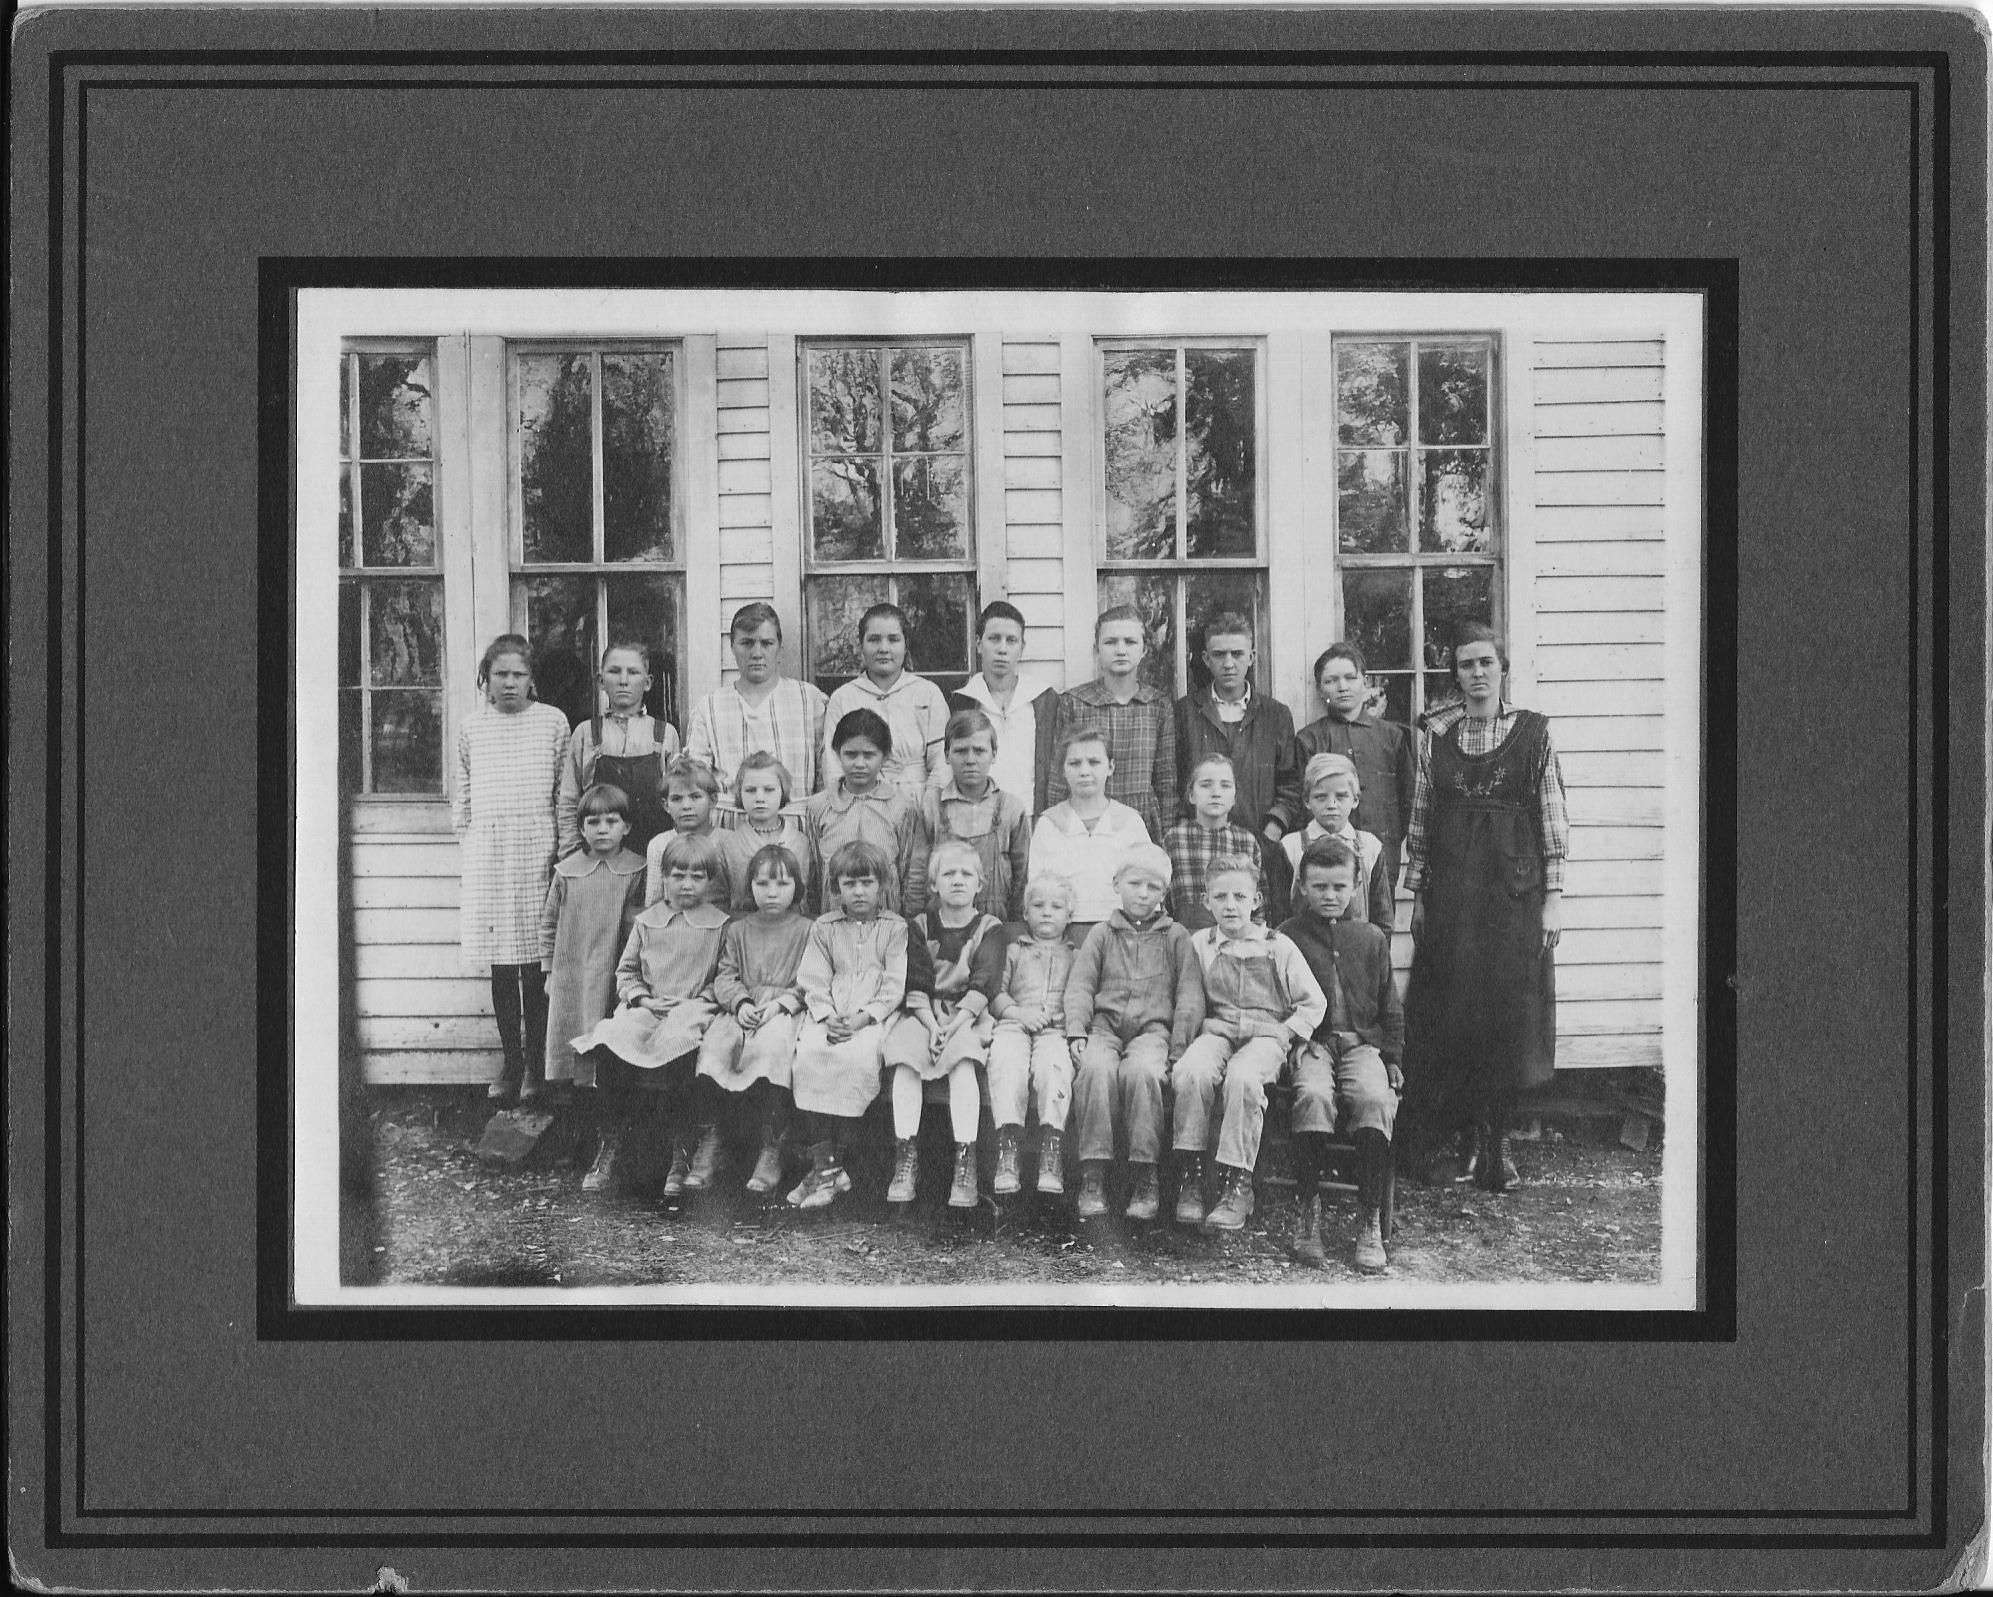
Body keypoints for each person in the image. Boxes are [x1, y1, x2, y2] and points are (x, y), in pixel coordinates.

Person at [1403, 621, 1568, 1193]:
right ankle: (1469, 1140)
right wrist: (1417, 895)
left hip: (1512, 897)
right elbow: (1421, 821)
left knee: (1507, 1018)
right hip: (1452, 899)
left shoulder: (1533, 733)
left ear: (1502, 670)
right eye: (1466, 665)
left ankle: (1499, 1144)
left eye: (1486, 664)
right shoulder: (1436, 736)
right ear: (1455, 673)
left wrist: (1554, 901)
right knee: (1454, 1017)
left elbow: (1553, 820)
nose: (1477, 674)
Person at [1170, 855, 1327, 1233]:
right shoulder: (1200, 944)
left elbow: (1313, 1002)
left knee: (1242, 1078)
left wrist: (1287, 1034)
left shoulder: (1278, 945)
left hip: (1264, 1034)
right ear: (1206, 901)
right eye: (1220, 897)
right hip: (1218, 1029)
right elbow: (1189, 998)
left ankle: (1237, 1184)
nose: (1230, 905)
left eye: (1239, 896)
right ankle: (1190, 1176)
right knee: (1191, 1070)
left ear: (1256, 900)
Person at [573, 832, 730, 1199]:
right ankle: (611, 1145)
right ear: (665, 877)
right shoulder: (648, 921)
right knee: (613, 1036)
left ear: (709, 880)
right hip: (649, 1005)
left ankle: (682, 1153)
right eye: (678, 875)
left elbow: (724, 978)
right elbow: (626, 972)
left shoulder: (720, 925)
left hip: (693, 1008)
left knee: (680, 1040)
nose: (687, 884)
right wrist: (642, 999)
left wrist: (695, 1000)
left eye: (697, 877)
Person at [453, 633, 572, 1106]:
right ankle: (512, 1059)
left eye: (518, 674)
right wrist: (469, 835)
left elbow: (564, 789)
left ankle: (539, 1066)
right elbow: (462, 788)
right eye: (500, 674)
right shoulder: (471, 727)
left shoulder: (552, 723)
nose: (509, 683)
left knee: (534, 962)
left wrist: (561, 848)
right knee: (501, 962)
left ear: (532, 680)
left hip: (537, 846)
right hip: (489, 851)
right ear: (486, 678)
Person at [1280, 837, 1405, 1272]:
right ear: (1302, 886)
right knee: (1313, 1095)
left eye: (1338, 887)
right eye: (1318, 887)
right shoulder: (1288, 935)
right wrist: (1291, 1042)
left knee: (1374, 1099)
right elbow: (1277, 997)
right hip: (1312, 1044)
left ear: (1355, 886)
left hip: (1360, 1044)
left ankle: (1369, 1218)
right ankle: (1307, 1210)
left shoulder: (1371, 938)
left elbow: (1389, 1005)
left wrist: (1392, 1059)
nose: (1329, 896)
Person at [1063, 844, 1204, 1222]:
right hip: (1104, 1028)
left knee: (1142, 1074)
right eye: (1135, 883)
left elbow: (1189, 995)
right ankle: (1093, 1173)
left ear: (1165, 893)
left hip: (1153, 1032)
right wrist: (1077, 1030)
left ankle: (1146, 1174)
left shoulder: (1176, 937)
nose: (1143, 893)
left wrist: (1178, 1048)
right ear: (1116, 883)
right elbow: (1080, 985)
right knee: (1094, 1069)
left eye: (1153, 887)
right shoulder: (1101, 934)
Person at [786, 842, 911, 1211]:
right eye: (849, 884)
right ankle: (827, 1166)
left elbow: (894, 985)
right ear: (835, 888)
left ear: (882, 885)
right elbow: (812, 978)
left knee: (856, 1060)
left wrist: (861, 1018)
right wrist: (826, 1015)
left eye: (867, 883)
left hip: (872, 1017)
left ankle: (831, 1169)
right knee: (810, 1053)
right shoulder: (825, 927)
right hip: (829, 1014)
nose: (859, 892)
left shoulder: (894, 928)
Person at [882, 841, 1004, 1210]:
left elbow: (985, 980)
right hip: (924, 1012)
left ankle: (964, 1160)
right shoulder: (918, 926)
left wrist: (954, 1025)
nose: (957, 881)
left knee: (964, 1061)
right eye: (948, 874)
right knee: (906, 1058)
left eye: (967, 874)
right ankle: (906, 1155)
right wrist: (932, 1025)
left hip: (967, 1013)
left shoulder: (989, 927)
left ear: (980, 884)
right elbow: (916, 978)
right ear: (933, 884)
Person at [693, 843, 813, 1195]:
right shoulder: (739, 930)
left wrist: (781, 1006)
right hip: (743, 1008)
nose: (772, 893)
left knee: (773, 1048)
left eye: (781, 884)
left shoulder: (807, 930)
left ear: (797, 889)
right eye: (762, 885)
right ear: (751, 888)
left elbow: (811, 978)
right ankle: (711, 1141)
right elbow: (725, 976)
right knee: (715, 1047)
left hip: (784, 1010)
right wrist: (741, 1003)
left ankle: (772, 1147)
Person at [1172, 611, 1302, 913]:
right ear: (1206, 659)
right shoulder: (1186, 712)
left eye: (1237, 654)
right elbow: (1174, 776)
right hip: (1201, 843)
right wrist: (1185, 824)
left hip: (1260, 843)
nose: (1228, 663)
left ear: (1251, 656)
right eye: (1219, 654)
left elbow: (1291, 782)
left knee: (1258, 924)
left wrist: (1273, 827)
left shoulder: (1275, 714)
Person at [537, 783, 649, 1115]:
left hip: (612, 969)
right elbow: (549, 923)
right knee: (571, 1033)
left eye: (611, 822)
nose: (602, 830)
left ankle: (606, 1120)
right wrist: (548, 970)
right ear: (582, 828)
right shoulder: (567, 872)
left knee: (605, 1037)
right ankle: (573, 1119)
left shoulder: (637, 870)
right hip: (571, 971)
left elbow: (639, 925)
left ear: (626, 827)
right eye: (593, 822)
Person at [1288, 642, 1416, 902]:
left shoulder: (1392, 736)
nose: (1342, 687)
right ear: (1320, 687)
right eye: (1331, 680)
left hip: (1379, 860)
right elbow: (1301, 804)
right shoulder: (1309, 740)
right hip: (1325, 867)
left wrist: (1385, 842)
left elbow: (1408, 801)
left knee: (1376, 935)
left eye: (1350, 678)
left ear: (1365, 681)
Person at [683, 602, 830, 818]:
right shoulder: (710, 706)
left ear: (779, 647)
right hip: (731, 826)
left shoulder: (810, 700)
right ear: (732, 647)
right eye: (747, 643)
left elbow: (825, 773)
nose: (757, 653)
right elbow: (697, 779)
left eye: (766, 643)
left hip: (796, 824)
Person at [1044, 605, 1176, 840]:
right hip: (1087, 820)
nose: (1121, 650)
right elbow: (1059, 777)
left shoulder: (1157, 704)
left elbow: (1166, 782)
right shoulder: (1075, 703)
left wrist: (1166, 837)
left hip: (1143, 821)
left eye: (1130, 642)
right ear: (1096, 649)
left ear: (1144, 649)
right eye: (1111, 642)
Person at [986, 874, 1080, 1197]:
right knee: (1006, 1062)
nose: (1047, 912)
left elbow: (1083, 997)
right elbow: (995, 995)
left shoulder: (1076, 956)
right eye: (1038, 906)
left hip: (1056, 1029)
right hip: (1015, 1023)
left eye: (1056, 907)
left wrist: (1065, 1018)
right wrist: (1018, 1013)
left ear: (1070, 914)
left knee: (1054, 1069)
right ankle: (1008, 1148)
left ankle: (1051, 1150)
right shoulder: (1014, 951)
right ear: (1025, 913)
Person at [554, 639, 681, 862]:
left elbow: (677, 802)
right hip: (597, 859)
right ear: (601, 682)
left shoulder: (664, 734)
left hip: (652, 859)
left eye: (633, 672)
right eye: (614, 672)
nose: (623, 681)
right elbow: (569, 802)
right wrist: (572, 858)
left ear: (648, 682)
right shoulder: (586, 733)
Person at [801, 708, 928, 919]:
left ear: (885, 757)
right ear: (837, 752)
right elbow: (813, 869)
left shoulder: (900, 806)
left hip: (886, 922)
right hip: (833, 921)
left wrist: (909, 918)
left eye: (869, 755)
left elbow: (908, 869)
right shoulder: (819, 805)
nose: (859, 764)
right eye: (850, 754)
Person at [820, 602, 951, 803]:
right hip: (862, 802)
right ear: (860, 645)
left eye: (893, 639)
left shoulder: (927, 693)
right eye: (873, 640)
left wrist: (931, 802)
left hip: (917, 800)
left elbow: (942, 760)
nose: (883, 648)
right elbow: (833, 765)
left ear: (906, 645)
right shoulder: (843, 698)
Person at [1028, 730, 1150, 939]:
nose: (1084, 771)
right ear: (1063, 770)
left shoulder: (1130, 822)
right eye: (1074, 763)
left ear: (1110, 766)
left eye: (1094, 762)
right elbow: (1037, 887)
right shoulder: (1049, 824)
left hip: (1122, 931)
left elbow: (1147, 884)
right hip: (1066, 933)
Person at [948, 600, 1060, 814]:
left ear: (1022, 648)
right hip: (979, 817)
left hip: (1031, 817)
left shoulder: (1044, 699)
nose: (1002, 649)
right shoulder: (962, 701)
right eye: (994, 639)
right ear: (979, 644)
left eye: (1011, 641)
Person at [918, 708, 1031, 921]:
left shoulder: (1011, 808)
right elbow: (917, 873)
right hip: (942, 925)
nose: (970, 760)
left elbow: (1022, 877)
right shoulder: (932, 805)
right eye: (961, 751)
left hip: (997, 924)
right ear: (946, 755)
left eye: (979, 751)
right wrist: (915, 924)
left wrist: (1015, 929)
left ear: (994, 755)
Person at [1278, 753, 1395, 936]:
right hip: (1302, 953)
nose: (1331, 804)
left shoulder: (1369, 847)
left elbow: (1383, 920)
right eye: (1321, 797)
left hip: (1356, 953)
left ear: (1355, 799)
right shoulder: (1291, 846)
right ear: (1307, 801)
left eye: (1341, 796)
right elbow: (1280, 916)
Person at [1160, 754, 1267, 931]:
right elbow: (1163, 900)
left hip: (1236, 939)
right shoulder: (1174, 840)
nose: (1216, 793)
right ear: (1191, 795)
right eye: (1205, 785)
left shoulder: (1246, 841)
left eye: (1225, 785)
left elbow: (1259, 907)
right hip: (1187, 937)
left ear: (1234, 798)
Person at [717, 751, 816, 914]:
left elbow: (810, 898)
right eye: (750, 790)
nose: (760, 798)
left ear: (782, 791)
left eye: (769, 789)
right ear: (739, 793)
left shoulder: (801, 842)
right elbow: (720, 901)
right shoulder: (730, 845)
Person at [642, 756, 731, 910]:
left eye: (695, 797)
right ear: (666, 805)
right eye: (677, 799)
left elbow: (737, 901)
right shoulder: (659, 845)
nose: (686, 806)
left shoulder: (727, 842)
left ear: (713, 800)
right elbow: (653, 903)